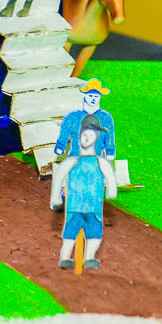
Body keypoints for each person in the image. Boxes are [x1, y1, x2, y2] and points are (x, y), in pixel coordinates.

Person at [50, 115, 117, 270]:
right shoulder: (72, 161)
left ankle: (89, 257)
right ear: (79, 137)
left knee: (94, 232)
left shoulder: (100, 162)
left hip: (94, 206)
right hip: (75, 205)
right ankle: (65, 257)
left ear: (97, 137)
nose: (87, 138)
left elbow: (109, 176)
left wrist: (112, 190)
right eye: (84, 135)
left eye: (91, 135)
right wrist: (55, 197)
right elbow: (59, 176)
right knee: (70, 232)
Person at [56, 79, 115, 159]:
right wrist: (61, 146)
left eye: (96, 96)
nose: (93, 99)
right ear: (85, 95)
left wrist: (110, 151)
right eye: (90, 96)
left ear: (100, 97)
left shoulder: (105, 117)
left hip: (95, 159)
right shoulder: (73, 117)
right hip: (75, 158)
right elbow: (64, 132)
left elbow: (109, 136)